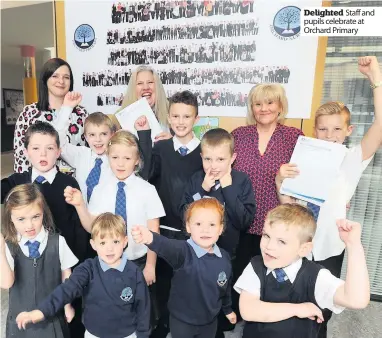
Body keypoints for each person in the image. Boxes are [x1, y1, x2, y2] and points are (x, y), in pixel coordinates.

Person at [275, 56, 382, 338]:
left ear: (348, 131)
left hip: (329, 247)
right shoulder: (302, 158)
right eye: (323, 128)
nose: (329, 135)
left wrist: (376, 79)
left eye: (337, 129)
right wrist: (279, 181)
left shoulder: (351, 159)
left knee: (322, 308)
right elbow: (288, 208)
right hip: (298, 244)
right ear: (314, 130)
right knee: (292, 301)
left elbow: (380, 127)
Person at [63, 130, 165, 327]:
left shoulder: (147, 190)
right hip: (108, 261)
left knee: (140, 313)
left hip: (139, 261)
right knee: (112, 311)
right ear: (108, 157)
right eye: (115, 157)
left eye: (127, 158)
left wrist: (151, 265)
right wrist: (80, 206)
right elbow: (92, 226)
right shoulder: (101, 189)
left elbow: (154, 232)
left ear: (136, 160)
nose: (120, 163)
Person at [234, 204, 370, 338]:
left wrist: (353, 245)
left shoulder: (316, 276)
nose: (269, 246)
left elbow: (356, 300)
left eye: (281, 241)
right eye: (266, 236)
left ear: (304, 249)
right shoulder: (256, 266)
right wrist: (299, 309)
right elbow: (248, 310)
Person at [15, 212, 151, 338]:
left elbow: (143, 308)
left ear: (125, 241)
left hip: (127, 334)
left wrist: (143, 335)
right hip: (94, 334)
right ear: (93, 244)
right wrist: (41, 311)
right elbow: (67, 289)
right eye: (102, 243)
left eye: (115, 241)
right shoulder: (88, 268)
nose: (109, 248)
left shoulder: (134, 272)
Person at [135, 90, 203, 338]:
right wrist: (144, 136)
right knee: (163, 282)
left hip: (193, 233)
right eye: (176, 116)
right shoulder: (161, 147)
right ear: (169, 117)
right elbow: (145, 175)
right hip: (164, 230)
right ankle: (163, 323)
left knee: (190, 281)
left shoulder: (204, 152)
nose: (181, 121)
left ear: (196, 119)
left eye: (187, 116)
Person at [231, 83, 304, 306]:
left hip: (278, 221)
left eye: (270, 102)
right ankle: (236, 313)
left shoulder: (294, 136)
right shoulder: (238, 136)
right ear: (251, 108)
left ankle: (268, 317)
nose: (264, 108)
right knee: (239, 272)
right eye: (258, 103)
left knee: (273, 276)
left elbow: (307, 177)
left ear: (280, 106)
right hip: (242, 219)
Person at [180, 127, 256, 337]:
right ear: (201, 157)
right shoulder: (196, 180)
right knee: (198, 292)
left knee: (222, 289)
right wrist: (202, 191)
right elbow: (184, 215)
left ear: (233, 158)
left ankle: (221, 325)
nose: (213, 166)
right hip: (196, 254)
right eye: (208, 159)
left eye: (220, 159)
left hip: (229, 252)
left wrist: (229, 189)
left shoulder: (241, 181)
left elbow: (245, 221)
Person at [131, 198, 237, 338]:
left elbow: (224, 287)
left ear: (220, 228)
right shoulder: (183, 251)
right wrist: (149, 237)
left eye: (212, 224)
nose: (205, 230)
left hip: (209, 321)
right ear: (188, 227)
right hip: (182, 322)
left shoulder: (224, 258)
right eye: (198, 224)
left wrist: (228, 309)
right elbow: (166, 245)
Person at [1, 184, 78, 338]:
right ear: (10, 218)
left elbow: (67, 276)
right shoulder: (9, 246)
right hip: (19, 323)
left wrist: (67, 304)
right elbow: (6, 283)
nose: (29, 225)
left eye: (35, 217)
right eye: (21, 219)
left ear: (43, 212)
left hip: (52, 319)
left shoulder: (58, 242)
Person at [13, 58, 88, 175]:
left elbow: (90, 152)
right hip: (39, 186)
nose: (61, 81)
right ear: (45, 79)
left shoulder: (81, 114)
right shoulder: (29, 113)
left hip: (75, 184)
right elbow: (21, 155)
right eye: (55, 76)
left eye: (66, 77)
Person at [54, 101, 115, 204]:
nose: (98, 139)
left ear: (112, 135)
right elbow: (59, 142)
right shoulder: (81, 155)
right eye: (92, 135)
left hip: (107, 217)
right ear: (86, 137)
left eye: (103, 134)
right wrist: (66, 109)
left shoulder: (117, 158)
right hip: (82, 214)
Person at [112, 65, 172, 141]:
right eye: (140, 83)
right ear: (133, 89)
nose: (146, 87)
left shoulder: (172, 112)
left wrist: (173, 142)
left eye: (150, 82)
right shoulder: (119, 119)